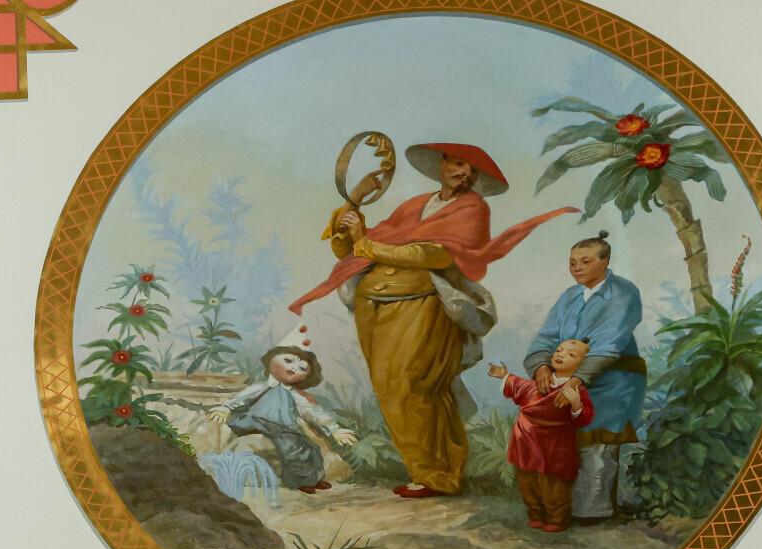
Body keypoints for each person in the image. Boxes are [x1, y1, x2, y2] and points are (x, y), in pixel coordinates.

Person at [290, 143, 574, 498]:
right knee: (390, 389)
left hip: (423, 306)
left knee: (416, 385)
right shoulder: (414, 205)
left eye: (471, 170)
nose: (464, 173)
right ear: (443, 164)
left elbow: (435, 255)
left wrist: (367, 244)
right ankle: (425, 472)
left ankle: (439, 475)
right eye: (458, 164)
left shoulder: (472, 208)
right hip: (375, 307)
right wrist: (355, 203)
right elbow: (350, 248)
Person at [523, 231, 645, 521]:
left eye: (585, 261)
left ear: (605, 261)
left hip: (613, 380)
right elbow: (547, 336)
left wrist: (577, 380)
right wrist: (541, 366)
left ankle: (594, 512)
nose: (577, 268)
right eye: (572, 262)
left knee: (597, 446)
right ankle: (561, 507)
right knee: (563, 443)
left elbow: (609, 343)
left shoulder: (623, 293)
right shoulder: (570, 296)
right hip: (567, 380)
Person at [208, 343, 357, 493]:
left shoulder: (295, 395)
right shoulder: (262, 387)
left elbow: (314, 413)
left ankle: (314, 479)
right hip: (259, 422)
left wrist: (334, 429)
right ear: (271, 360)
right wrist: (225, 408)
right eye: (288, 360)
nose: (294, 367)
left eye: (302, 369)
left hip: (285, 427)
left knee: (311, 447)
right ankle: (300, 482)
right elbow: (242, 398)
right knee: (292, 449)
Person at [488, 340, 596, 532]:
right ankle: (536, 513)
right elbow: (520, 386)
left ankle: (556, 519)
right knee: (528, 482)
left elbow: (584, 419)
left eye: (571, 354)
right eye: (559, 350)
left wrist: (575, 403)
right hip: (526, 441)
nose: (561, 355)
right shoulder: (540, 381)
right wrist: (504, 376)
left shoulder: (577, 390)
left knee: (554, 485)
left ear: (583, 365)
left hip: (555, 445)